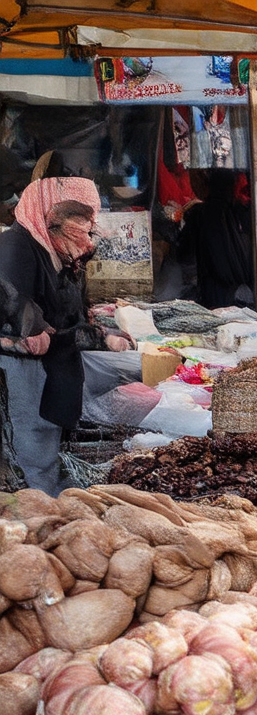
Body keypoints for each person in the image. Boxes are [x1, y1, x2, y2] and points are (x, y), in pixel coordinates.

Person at [0, 177, 131, 495]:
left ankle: (51, 502)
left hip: (53, 365)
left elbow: (68, 312)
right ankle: (37, 518)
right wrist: (87, 338)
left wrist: (97, 333)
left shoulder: (56, 253)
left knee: (45, 451)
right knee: (34, 454)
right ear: (48, 216)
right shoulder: (16, 246)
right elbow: (22, 320)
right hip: (22, 369)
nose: (86, 237)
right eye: (79, 225)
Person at [179, 169, 253, 309]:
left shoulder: (200, 213)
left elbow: (184, 253)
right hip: (236, 291)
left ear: (208, 186)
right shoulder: (237, 211)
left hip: (213, 291)